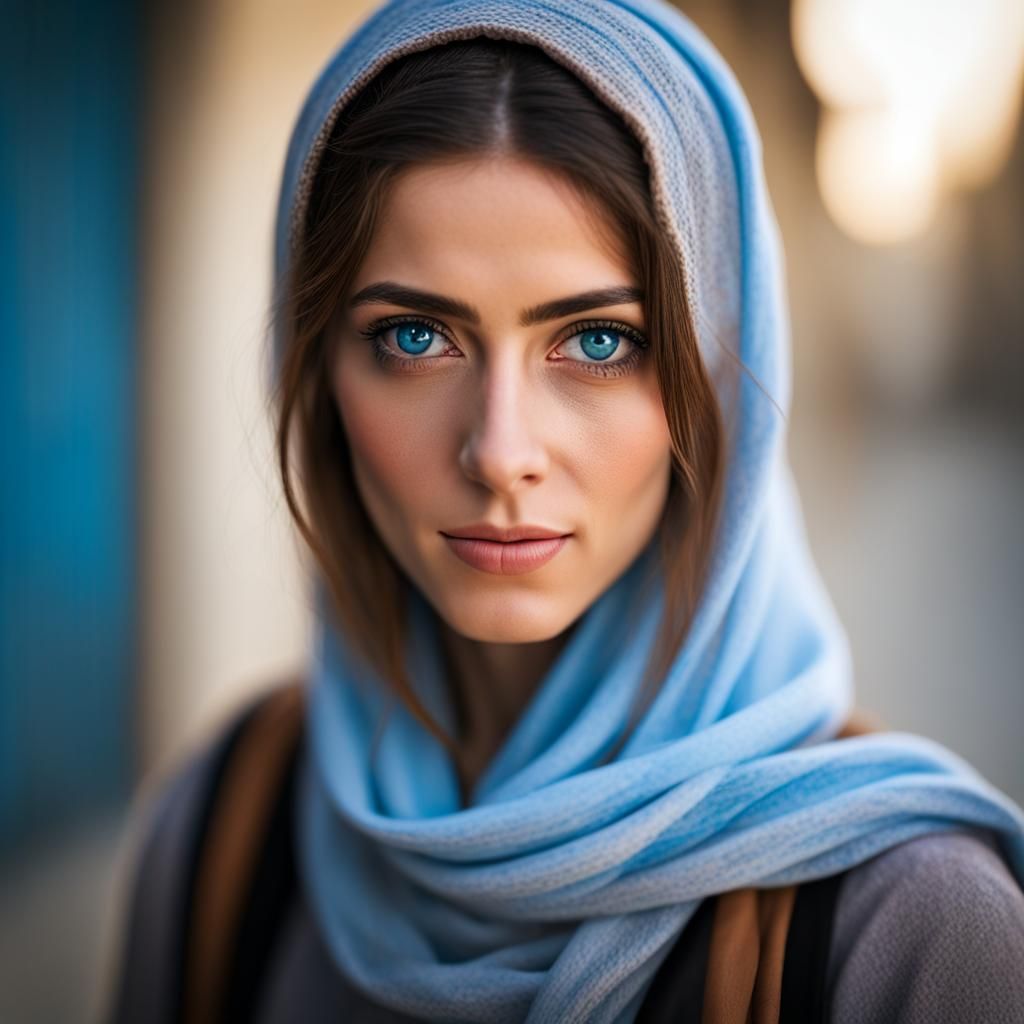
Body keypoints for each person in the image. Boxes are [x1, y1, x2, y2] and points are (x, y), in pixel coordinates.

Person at [105, 1, 1024, 1022]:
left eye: (595, 342)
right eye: (414, 337)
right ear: (316, 377)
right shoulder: (224, 827)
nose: (500, 452)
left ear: (716, 378)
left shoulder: (915, 930)